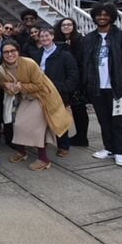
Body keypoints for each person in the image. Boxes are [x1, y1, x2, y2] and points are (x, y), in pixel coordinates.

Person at [81, 2, 122, 167]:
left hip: (118, 87)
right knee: (103, 120)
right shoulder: (89, 39)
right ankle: (108, 148)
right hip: (96, 88)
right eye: (98, 14)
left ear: (111, 16)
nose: (102, 17)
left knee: (119, 121)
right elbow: (84, 64)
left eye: (105, 14)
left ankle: (119, 151)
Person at [0, 39, 73, 171]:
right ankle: (22, 152)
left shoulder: (29, 63)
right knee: (17, 124)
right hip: (23, 98)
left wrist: (20, 86)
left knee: (36, 127)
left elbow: (39, 85)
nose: (10, 54)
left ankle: (44, 159)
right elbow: (4, 85)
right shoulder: (2, 69)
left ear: (18, 52)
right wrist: (7, 86)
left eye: (12, 51)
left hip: (41, 96)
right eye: (6, 52)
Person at [31, 27, 79, 157]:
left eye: (47, 36)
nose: (44, 38)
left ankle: (63, 145)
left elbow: (73, 74)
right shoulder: (36, 54)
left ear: (52, 37)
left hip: (58, 91)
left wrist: (65, 87)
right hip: (40, 92)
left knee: (59, 119)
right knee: (40, 119)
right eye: (42, 36)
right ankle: (42, 143)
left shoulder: (64, 55)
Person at [54, 17, 89, 147]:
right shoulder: (58, 41)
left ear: (74, 26)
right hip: (64, 79)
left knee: (79, 109)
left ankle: (82, 137)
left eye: (69, 24)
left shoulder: (80, 40)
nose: (66, 27)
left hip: (78, 80)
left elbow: (82, 61)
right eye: (64, 25)